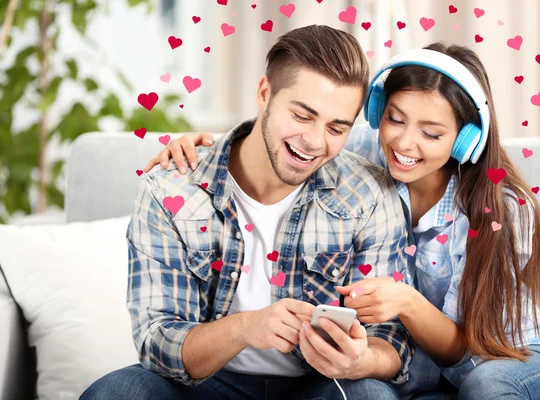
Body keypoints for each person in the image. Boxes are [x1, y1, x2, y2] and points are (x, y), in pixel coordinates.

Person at [148, 42, 540, 400]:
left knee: (487, 386)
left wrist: (405, 302)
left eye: (432, 133)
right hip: (429, 374)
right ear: (377, 113)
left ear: (466, 139)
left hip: (512, 356)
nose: (405, 143)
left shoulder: (502, 211)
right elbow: (290, 140)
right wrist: (202, 148)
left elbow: (464, 350)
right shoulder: (360, 151)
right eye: (394, 119)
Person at [80, 25, 414, 400]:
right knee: (119, 391)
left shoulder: (369, 194)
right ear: (264, 93)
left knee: (371, 396)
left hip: (317, 387)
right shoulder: (171, 189)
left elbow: (391, 342)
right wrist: (245, 328)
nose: (315, 141)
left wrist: (361, 360)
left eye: (336, 127)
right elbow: (157, 341)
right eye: (303, 116)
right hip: (205, 385)